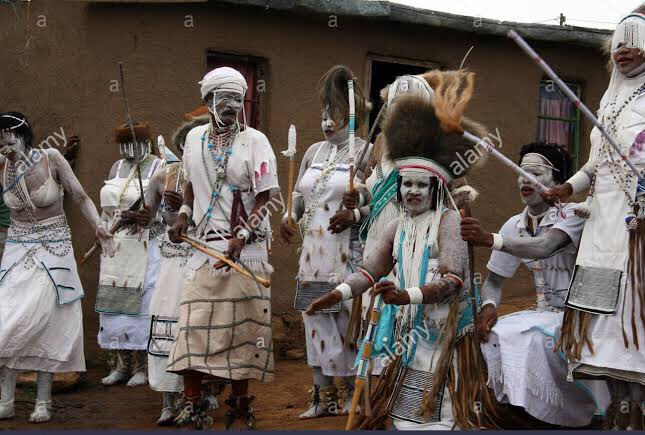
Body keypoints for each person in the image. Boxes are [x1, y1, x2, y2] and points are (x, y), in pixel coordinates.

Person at [307, 71, 496, 430]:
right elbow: (372, 198)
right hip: (391, 242)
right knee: (388, 335)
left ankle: (438, 412)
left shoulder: (440, 150)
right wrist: (356, 203)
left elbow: (457, 203)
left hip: (431, 262)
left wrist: (448, 236)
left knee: (425, 343)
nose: (400, 115)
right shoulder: (379, 146)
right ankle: (388, 406)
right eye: (395, 107)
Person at [543, 11, 645, 430]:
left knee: (632, 326)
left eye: (634, 40)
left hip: (636, 231)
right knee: (601, 330)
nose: (624, 50)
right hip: (601, 229)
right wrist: (568, 187)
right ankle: (620, 413)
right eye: (618, 42)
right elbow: (595, 166)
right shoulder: (607, 99)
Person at [461, 142, 609, 427]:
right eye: (520, 172)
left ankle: (573, 417)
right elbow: (493, 280)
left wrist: (488, 238)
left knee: (535, 341)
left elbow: (544, 246)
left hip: (580, 314)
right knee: (493, 336)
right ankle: (523, 413)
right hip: (544, 312)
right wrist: (490, 305)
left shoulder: (575, 215)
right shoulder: (513, 225)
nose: (524, 180)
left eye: (536, 173)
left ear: (557, 181)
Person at [167, 66, 279, 430]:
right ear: (208, 101)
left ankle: (240, 404)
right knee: (192, 326)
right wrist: (183, 214)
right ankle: (192, 404)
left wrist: (243, 236)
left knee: (241, 331)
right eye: (223, 98)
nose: (231, 105)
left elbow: (266, 197)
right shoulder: (194, 139)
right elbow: (189, 186)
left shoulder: (256, 141)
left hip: (245, 251)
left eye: (237, 98)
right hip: (204, 248)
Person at [0, 112, 114, 423]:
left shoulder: (50, 158)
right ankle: (6, 400)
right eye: (0, 138)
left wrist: (99, 226)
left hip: (54, 249)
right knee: (7, 320)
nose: (5, 142)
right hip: (16, 249)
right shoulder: (2, 167)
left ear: (25, 135)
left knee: (48, 321)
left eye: (10, 135)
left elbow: (80, 196)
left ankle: (42, 401)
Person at [280, 65, 372, 419]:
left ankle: (350, 394)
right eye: (323, 115)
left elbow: (373, 199)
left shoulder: (364, 153)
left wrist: (357, 207)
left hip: (347, 252)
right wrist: (288, 218)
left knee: (346, 321)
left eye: (334, 115)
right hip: (312, 256)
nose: (327, 123)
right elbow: (298, 200)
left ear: (350, 116)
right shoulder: (313, 152)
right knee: (315, 319)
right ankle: (320, 397)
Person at [133, 115, 208, 425]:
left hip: (200, 256)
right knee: (167, 324)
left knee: (198, 326)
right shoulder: (162, 176)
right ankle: (167, 401)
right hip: (170, 262)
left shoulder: (210, 178)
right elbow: (148, 217)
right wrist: (142, 215)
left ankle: (199, 397)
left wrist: (191, 206)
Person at [96, 122, 163, 388]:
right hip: (115, 246)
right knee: (116, 307)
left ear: (146, 143)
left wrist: (144, 216)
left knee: (142, 306)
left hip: (145, 243)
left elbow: (162, 209)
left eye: (133, 144)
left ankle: (142, 366)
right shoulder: (117, 167)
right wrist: (102, 229)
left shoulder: (159, 166)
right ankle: (121, 364)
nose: (128, 150)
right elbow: (107, 207)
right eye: (123, 145)